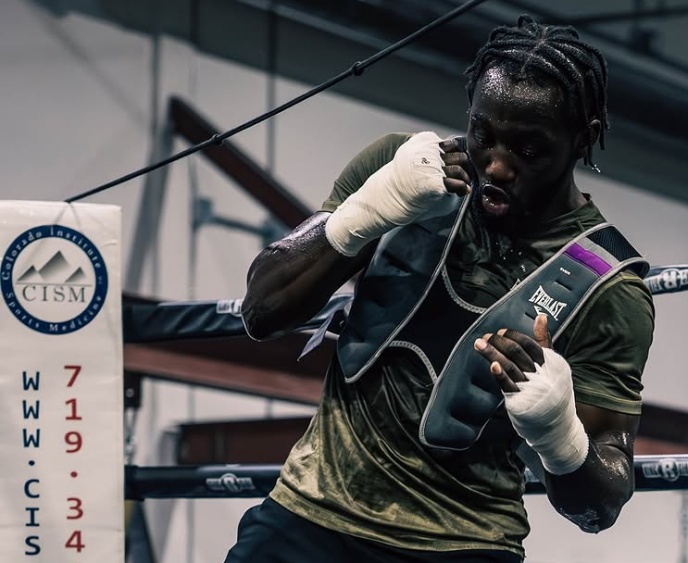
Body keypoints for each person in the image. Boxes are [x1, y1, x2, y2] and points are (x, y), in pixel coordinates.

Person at [227, 15, 655, 563]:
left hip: (463, 544)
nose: (496, 165)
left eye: (528, 149)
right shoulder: (403, 170)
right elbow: (262, 310)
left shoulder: (608, 288)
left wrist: (559, 433)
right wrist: (363, 213)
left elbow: (599, 507)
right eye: (484, 135)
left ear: (584, 138)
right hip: (310, 516)